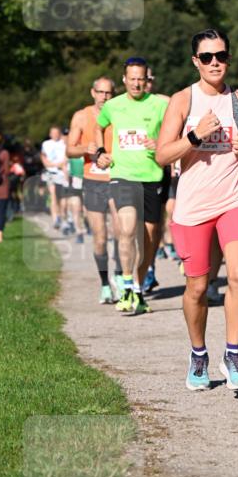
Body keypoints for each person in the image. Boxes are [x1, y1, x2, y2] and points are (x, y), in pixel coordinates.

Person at [156, 29, 238, 392]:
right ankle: (198, 355)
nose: (215, 62)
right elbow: (162, 155)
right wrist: (195, 136)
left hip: (235, 197)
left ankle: (233, 354)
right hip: (194, 204)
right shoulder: (182, 101)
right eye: (207, 57)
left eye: (221, 56)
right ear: (195, 62)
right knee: (198, 287)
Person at [95, 58, 168, 315]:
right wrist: (100, 151)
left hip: (152, 176)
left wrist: (159, 142)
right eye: (132, 78)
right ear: (124, 79)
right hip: (123, 175)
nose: (137, 83)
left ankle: (137, 286)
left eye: (141, 78)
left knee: (150, 238)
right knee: (126, 229)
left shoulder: (160, 104)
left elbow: (176, 132)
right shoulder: (113, 106)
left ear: (147, 79)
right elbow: (99, 126)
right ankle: (126, 284)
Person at [67, 77, 122, 304]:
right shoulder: (81, 116)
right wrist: (84, 149)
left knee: (121, 231)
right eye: (100, 92)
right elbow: (69, 150)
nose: (104, 97)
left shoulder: (120, 112)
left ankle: (120, 275)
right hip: (93, 180)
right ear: (93, 93)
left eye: (108, 93)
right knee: (100, 236)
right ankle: (104, 283)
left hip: (118, 177)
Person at [142, 67, 172, 294]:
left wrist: (161, 143)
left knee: (157, 223)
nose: (147, 82)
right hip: (128, 171)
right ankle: (127, 270)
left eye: (150, 78)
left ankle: (148, 267)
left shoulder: (165, 102)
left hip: (160, 168)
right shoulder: (121, 104)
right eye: (143, 78)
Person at [40, 125, 68, 230]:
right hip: (51, 173)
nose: (55, 135)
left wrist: (62, 165)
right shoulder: (46, 144)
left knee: (63, 198)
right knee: (53, 196)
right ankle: (55, 219)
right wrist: (52, 165)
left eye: (57, 133)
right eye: (53, 133)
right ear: (50, 134)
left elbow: (67, 156)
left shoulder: (64, 143)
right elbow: (43, 157)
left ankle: (63, 217)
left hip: (62, 173)